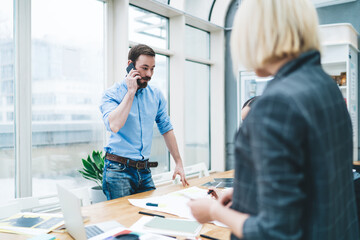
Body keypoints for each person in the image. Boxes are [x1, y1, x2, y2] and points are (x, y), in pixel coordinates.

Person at [188, 0, 359, 239]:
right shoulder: (326, 87)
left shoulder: (276, 106)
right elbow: (313, 179)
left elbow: (275, 232)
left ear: (257, 32)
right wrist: (245, 194)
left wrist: (214, 210)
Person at [100, 44, 189, 200]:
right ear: (130, 66)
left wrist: (178, 162)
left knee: (152, 214)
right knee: (123, 221)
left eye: (153, 69)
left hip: (144, 171)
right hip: (118, 171)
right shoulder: (111, 94)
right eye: (145, 68)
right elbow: (114, 125)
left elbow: (166, 129)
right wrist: (130, 93)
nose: (149, 74)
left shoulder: (155, 95)